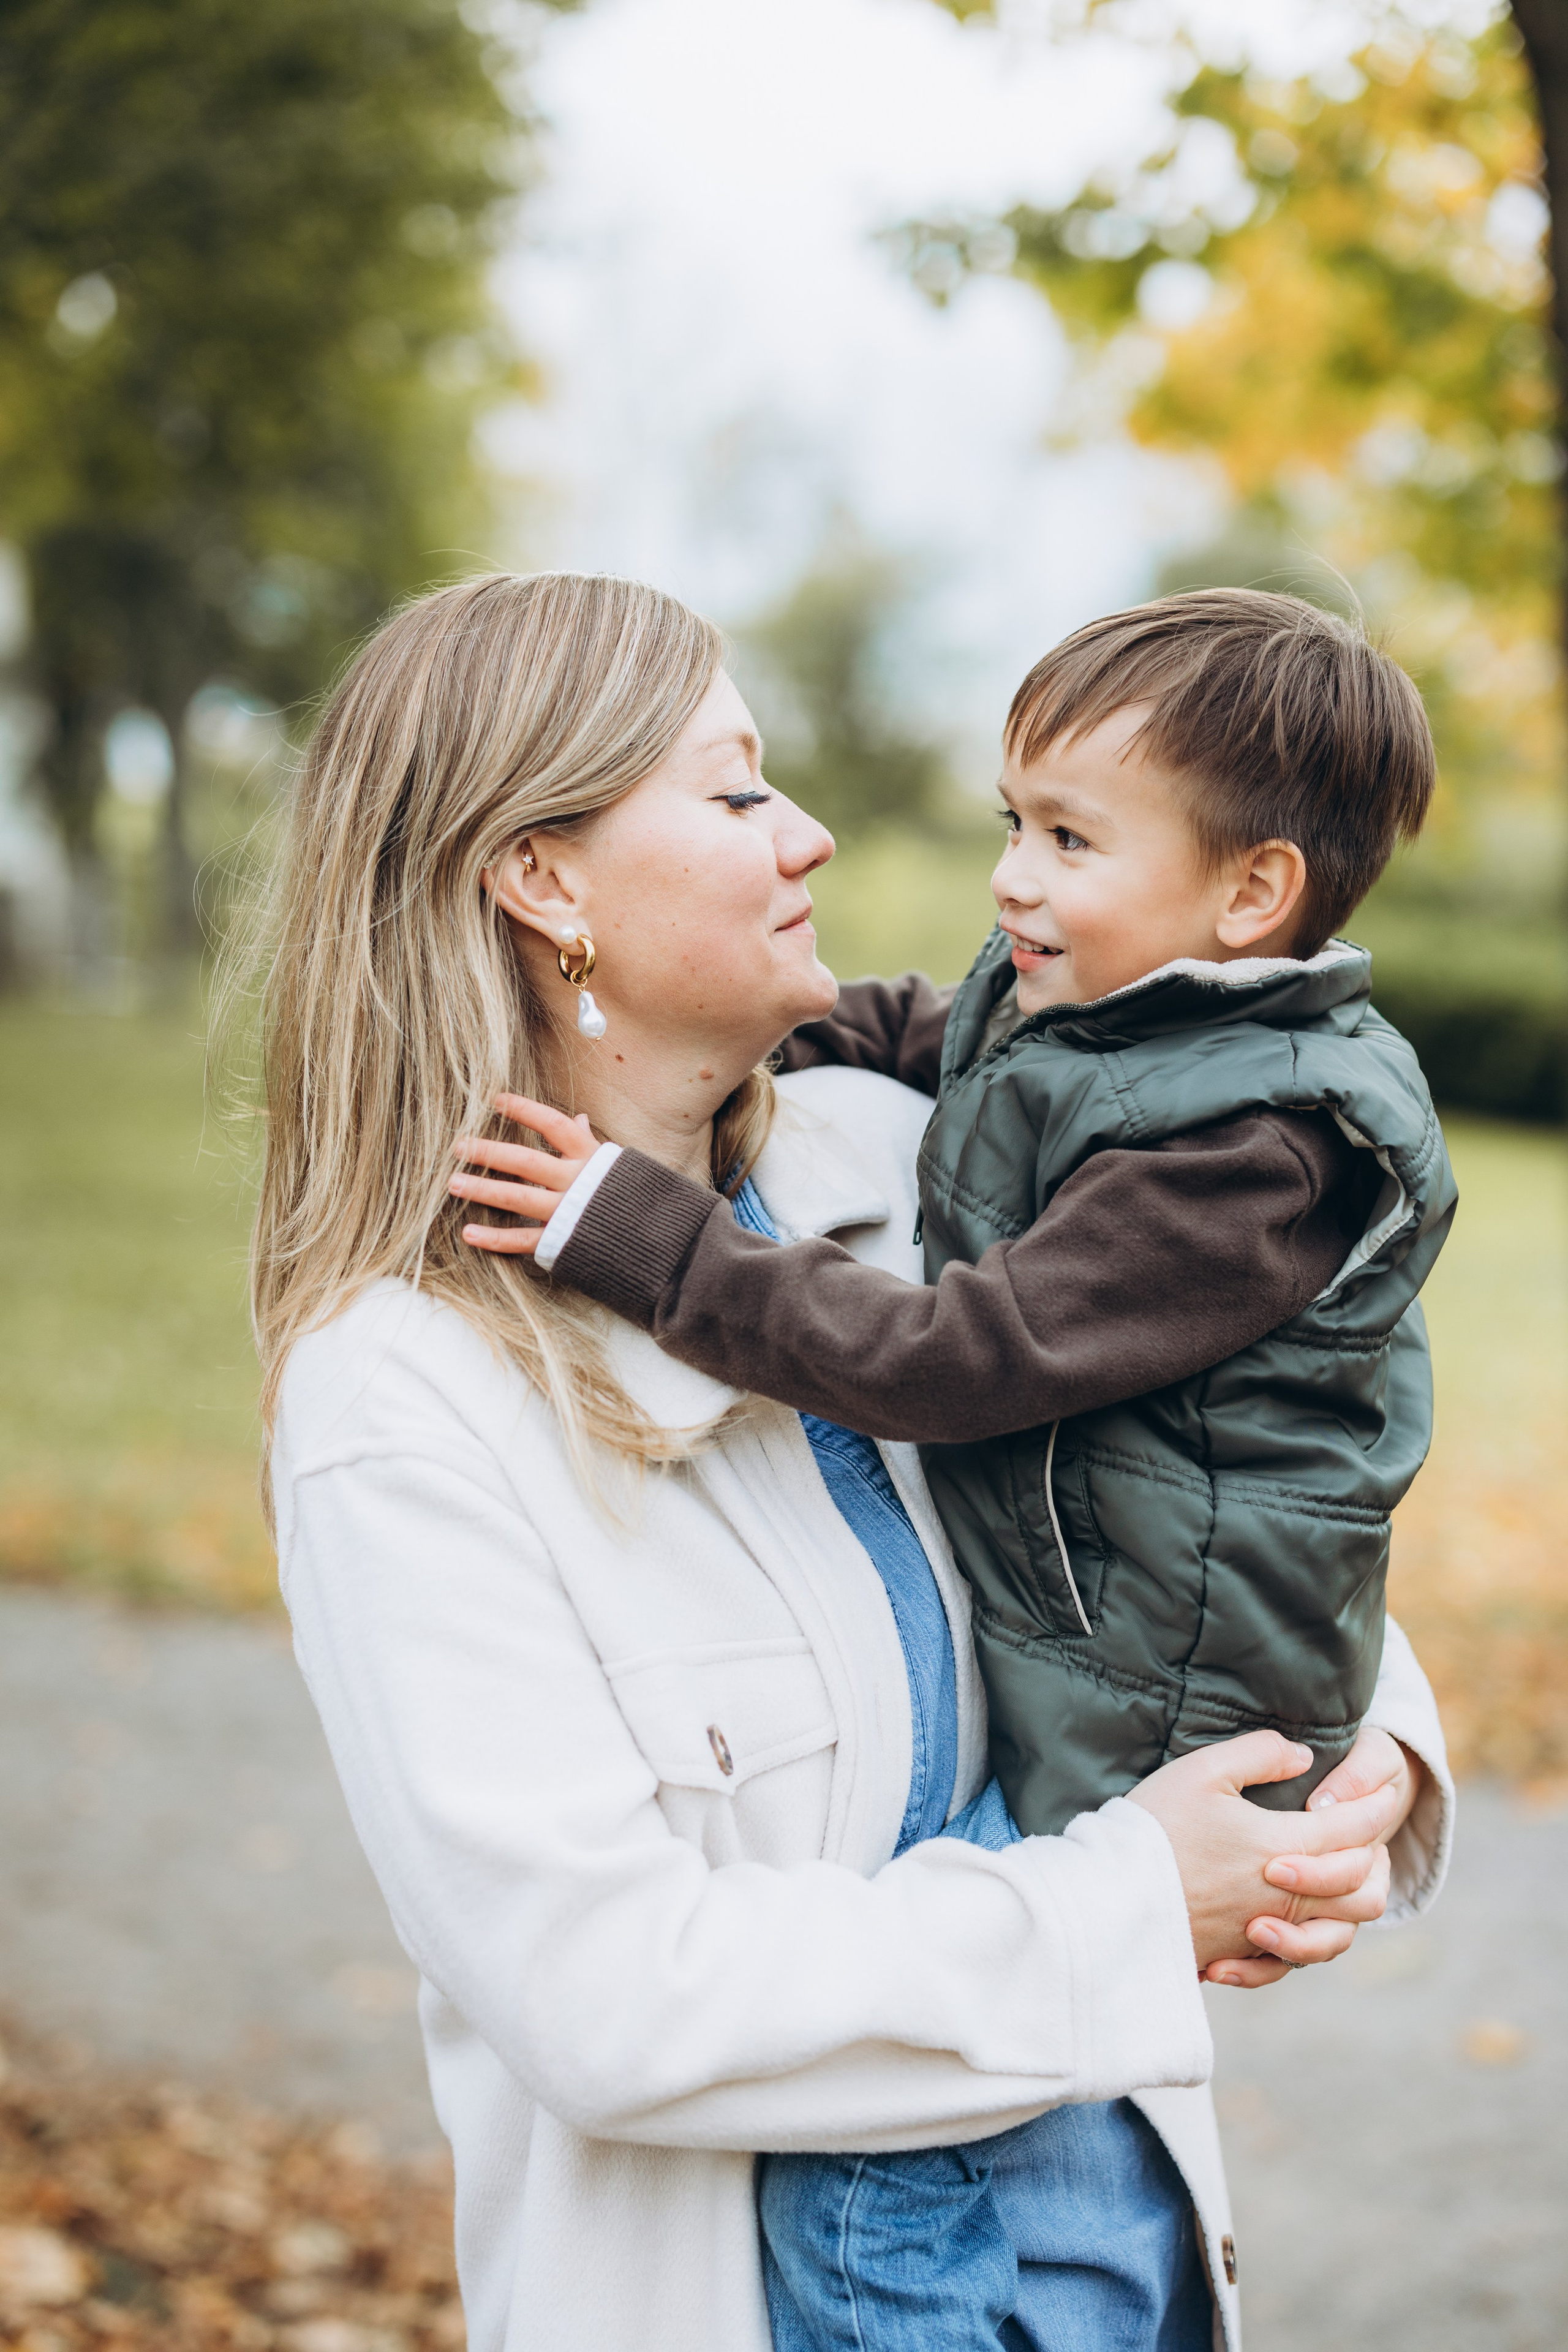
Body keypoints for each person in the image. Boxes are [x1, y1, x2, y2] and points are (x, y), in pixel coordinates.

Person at [254, 571, 1451, 2352]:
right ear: (543, 880)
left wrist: (1358, 1772)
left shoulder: (903, 1159)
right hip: (786, 2288)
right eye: (738, 788)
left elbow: (1178, 1479)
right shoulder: (404, 1398)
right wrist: (1132, 1900)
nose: (808, 831)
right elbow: (607, 1998)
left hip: (1125, 2221)